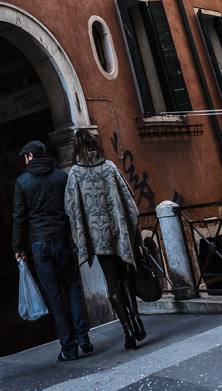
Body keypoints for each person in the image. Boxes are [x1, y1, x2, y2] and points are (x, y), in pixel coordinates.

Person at [64, 129, 145, 350]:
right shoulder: (109, 167)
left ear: (76, 148)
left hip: (97, 238)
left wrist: (83, 234)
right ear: (94, 144)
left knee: (111, 282)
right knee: (125, 276)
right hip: (118, 232)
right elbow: (128, 198)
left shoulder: (75, 174)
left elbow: (70, 208)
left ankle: (127, 330)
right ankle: (137, 320)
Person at [12, 140, 91, 362]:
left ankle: (69, 347)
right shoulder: (61, 177)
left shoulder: (22, 182)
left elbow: (19, 217)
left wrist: (17, 248)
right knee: (73, 286)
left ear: (29, 156)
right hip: (62, 240)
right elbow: (71, 209)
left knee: (53, 295)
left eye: (24, 157)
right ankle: (83, 337)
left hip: (39, 244)